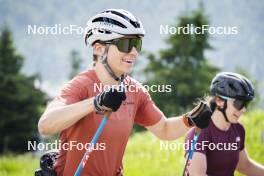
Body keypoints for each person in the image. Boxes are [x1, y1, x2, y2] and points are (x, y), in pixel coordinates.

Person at [38, 9, 211, 176]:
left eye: (137, 44)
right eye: (126, 44)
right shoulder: (81, 86)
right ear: (98, 48)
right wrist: (96, 102)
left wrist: (189, 120)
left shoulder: (134, 91)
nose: (134, 52)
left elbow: (164, 129)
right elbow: (45, 125)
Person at [187, 72, 264, 176]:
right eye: (239, 104)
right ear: (219, 100)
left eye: (246, 104)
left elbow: (245, 166)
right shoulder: (199, 132)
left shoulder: (238, 129)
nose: (244, 110)